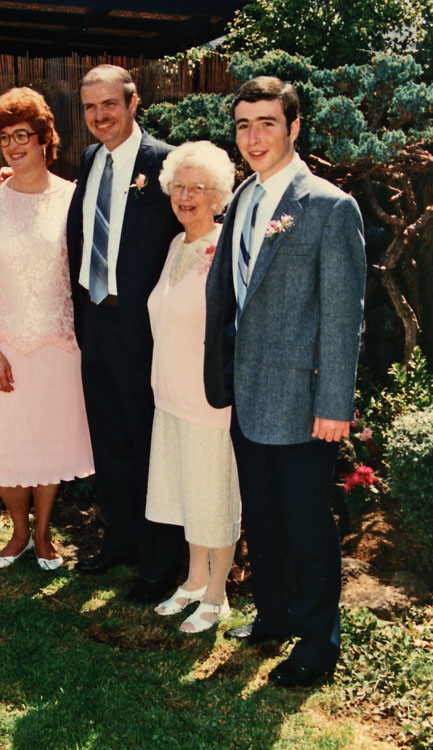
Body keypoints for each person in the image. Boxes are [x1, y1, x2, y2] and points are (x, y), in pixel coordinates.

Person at [204, 77, 366, 684]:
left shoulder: (327, 206)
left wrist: (333, 404)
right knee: (263, 518)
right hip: (246, 393)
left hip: (302, 400)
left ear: (294, 128)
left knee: (306, 525)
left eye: (267, 123)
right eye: (244, 125)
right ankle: (273, 615)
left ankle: (318, 646)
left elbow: (343, 315)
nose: (254, 136)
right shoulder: (244, 197)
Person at [0, 87, 93, 571]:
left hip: (57, 346)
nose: (14, 146)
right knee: (8, 442)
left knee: (48, 441)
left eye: (23, 135)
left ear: (44, 139)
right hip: (3, 346)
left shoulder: (71, 198)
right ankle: (17, 532)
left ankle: (42, 534)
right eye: (5, 138)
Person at [66, 64, 184, 603]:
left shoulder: (163, 162)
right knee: (109, 438)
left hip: (146, 331)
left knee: (149, 441)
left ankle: (161, 563)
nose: (99, 116)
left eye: (109, 105)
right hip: (97, 321)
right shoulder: (91, 159)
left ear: (133, 103)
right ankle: (120, 540)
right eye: (90, 107)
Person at [145, 141, 240, 633]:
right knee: (187, 492)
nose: (186, 197)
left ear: (218, 195)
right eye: (178, 187)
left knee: (213, 495)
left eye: (197, 188)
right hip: (170, 394)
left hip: (209, 399)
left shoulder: (226, 250)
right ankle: (195, 577)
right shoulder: (175, 245)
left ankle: (218, 593)